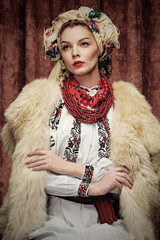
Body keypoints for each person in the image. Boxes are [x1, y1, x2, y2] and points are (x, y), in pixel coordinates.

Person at [0, 6, 159, 240]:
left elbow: (126, 177)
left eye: (84, 44)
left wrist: (64, 166)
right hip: (51, 220)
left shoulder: (126, 107)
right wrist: (93, 185)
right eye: (67, 47)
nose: (75, 53)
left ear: (100, 48)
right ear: (61, 53)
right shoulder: (42, 103)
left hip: (112, 221)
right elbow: (33, 173)